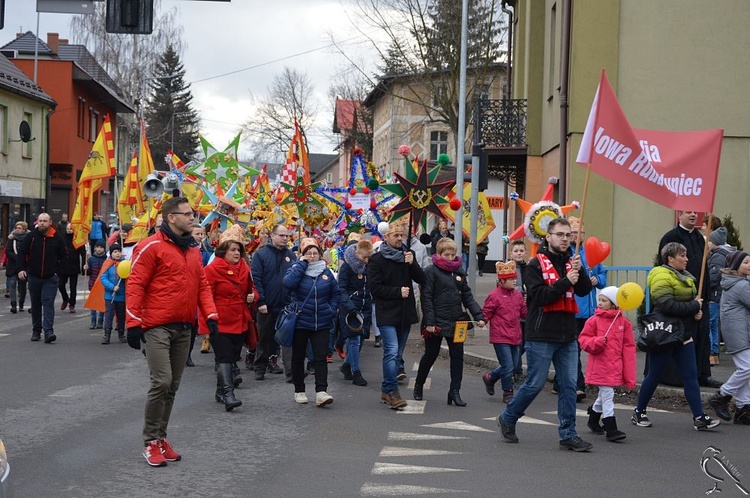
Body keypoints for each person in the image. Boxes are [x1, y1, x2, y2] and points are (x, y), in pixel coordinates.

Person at [125, 197, 219, 467]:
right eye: (187, 214)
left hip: (184, 326)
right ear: (171, 218)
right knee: (162, 382)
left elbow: (201, 285)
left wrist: (210, 315)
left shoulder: (191, 248)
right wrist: (133, 323)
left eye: (193, 214)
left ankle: (161, 438)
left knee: (173, 386)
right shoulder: (150, 246)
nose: (193, 218)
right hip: (156, 325)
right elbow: (135, 285)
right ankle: (150, 442)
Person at [497, 217, 594, 451]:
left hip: (567, 335)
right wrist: (565, 281)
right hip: (541, 333)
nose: (565, 238)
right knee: (535, 383)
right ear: (548, 237)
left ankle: (568, 433)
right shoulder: (535, 264)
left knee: (569, 385)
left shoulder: (572, 260)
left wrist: (579, 272)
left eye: (568, 234)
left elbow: (583, 290)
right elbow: (539, 297)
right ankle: (508, 417)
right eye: (560, 234)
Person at [633, 242, 720, 431]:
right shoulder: (660, 276)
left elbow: (684, 304)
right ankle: (639, 411)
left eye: (686, 255)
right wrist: (693, 307)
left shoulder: (685, 277)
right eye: (682, 255)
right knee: (654, 375)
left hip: (683, 333)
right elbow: (666, 305)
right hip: (665, 333)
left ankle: (699, 417)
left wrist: (694, 312)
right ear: (670, 258)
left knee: (690, 376)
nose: (686, 259)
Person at [415, 237, 485, 406]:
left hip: (456, 321)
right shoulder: (430, 271)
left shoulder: (459, 272)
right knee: (430, 355)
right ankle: (419, 385)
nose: (451, 257)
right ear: (439, 254)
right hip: (436, 323)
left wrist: (479, 316)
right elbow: (427, 298)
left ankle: (455, 391)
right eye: (447, 254)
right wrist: (430, 323)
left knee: (457, 356)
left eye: (453, 254)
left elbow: (467, 296)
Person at [658, 210, 721, 388]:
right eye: (688, 212)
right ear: (680, 215)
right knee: (685, 337)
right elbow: (663, 266)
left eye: (695, 212)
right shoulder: (671, 237)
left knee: (703, 336)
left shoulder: (700, 238)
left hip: (702, 296)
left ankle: (703, 374)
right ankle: (680, 376)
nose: (693, 215)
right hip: (682, 297)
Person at [368, 221, 426, 410]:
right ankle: (393, 392)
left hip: (404, 313)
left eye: (402, 235)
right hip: (386, 312)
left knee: (397, 354)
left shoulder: (408, 255)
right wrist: (396, 292)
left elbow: (422, 279)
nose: (400, 239)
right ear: (386, 237)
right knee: (391, 352)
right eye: (396, 235)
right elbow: (374, 288)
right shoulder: (377, 260)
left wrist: (413, 263)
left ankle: (386, 389)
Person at [201, 224, 257, 412]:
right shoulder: (211, 270)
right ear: (223, 251)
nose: (236, 253)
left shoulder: (244, 268)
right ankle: (228, 393)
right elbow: (204, 297)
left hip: (240, 319)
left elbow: (252, 291)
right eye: (233, 250)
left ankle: (219, 390)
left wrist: (253, 297)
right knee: (224, 357)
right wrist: (206, 325)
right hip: (220, 320)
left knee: (232, 356)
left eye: (238, 250)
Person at [552, 217, 607, 401]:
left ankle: (559, 381)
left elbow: (602, 275)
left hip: (590, 310)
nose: (576, 236)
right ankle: (578, 385)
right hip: (573, 308)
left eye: (579, 232)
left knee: (580, 348)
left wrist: (597, 280)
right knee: (573, 348)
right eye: (572, 232)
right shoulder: (566, 253)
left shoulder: (590, 250)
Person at [284, 237, 340, 406]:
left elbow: (335, 293)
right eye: (308, 253)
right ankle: (299, 390)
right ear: (302, 254)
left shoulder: (326, 272)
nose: (312, 256)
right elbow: (288, 283)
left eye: (315, 253)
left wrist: (331, 309)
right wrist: (302, 264)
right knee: (298, 357)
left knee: (321, 357)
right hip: (300, 321)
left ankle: (321, 391)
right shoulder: (296, 268)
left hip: (321, 321)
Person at [578, 286, 636, 442]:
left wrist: (629, 374)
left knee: (604, 394)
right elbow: (583, 340)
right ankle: (611, 427)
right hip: (600, 366)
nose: (600, 303)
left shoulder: (624, 323)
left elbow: (628, 349)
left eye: (604, 300)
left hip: (615, 367)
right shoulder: (593, 321)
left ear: (614, 304)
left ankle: (594, 416)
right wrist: (597, 342)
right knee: (608, 394)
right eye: (600, 300)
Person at [251, 224, 296, 381]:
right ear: (272, 235)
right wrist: (261, 301)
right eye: (282, 235)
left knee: (288, 339)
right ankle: (260, 367)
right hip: (267, 305)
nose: (285, 238)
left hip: (286, 305)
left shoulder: (291, 255)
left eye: (287, 236)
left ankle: (290, 372)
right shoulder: (261, 255)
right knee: (264, 338)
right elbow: (256, 279)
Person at [710, 251, 750, 425]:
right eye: (746, 262)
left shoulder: (735, 282)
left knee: (747, 370)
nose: (749, 265)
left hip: (739, 331)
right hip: (739, 333)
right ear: (736, 266)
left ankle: (743, 408)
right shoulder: (741, 286)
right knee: (747, 368)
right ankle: (721, 396)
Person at [481, 260, 527, 403]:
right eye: (511, 279)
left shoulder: (518, 295)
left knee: (513, 365)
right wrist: (483, 320)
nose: (515, 281)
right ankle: (508, 391)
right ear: (502, 281)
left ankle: (491, 377)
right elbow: (487, 311)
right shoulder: (494, 295)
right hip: (500, 336)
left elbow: (524, 313)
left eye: (515, 278)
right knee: (508, 366)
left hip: (515, 335)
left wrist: (529, 303)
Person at [17, 213, 66, 343]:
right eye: (40, 221)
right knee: (36, 304)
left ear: (50, 222)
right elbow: (21, 252)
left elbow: (64, 256)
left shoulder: (57, 238)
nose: (42, 223)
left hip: (50, 278)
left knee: (48, 303)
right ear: (37, 222)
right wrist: (21, 269)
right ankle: (36, 330)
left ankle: (49, 332)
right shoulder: (31, 237)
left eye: (45, 221)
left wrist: (58, 272)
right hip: (34, 276)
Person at [338, 239, 374, 387]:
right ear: (356, 253)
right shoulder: (347, 267)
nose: (366, 260)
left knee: (361, 340)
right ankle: (356, 372)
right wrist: (350, 305)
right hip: (351, 308)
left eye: (368, 257)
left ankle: (346, 365)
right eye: (363, 257)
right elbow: (341, 288)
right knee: (354, 339)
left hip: (365, 307)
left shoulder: (369, 267)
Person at [707, 227, 731, 366]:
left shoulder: (717, 256)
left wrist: (705, 287)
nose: (708, 243)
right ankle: (714, 353)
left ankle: (711, 352)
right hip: (718, 295)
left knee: (709, 324)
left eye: (710, 241)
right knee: (714, 324)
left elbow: (714, 277)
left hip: (714, 295)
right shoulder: (724, 255)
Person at [99, 244, 127, 344]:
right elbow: (103, 278)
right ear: (111, 254)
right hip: (109, 296)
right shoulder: (108, 264)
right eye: (115, 252)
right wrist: (112, 287)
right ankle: (106, 336)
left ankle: (121, 334)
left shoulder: (125, 263)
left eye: (119, 251)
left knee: (121, 316)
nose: (117, 254)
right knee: (109, 315)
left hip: (122, 296)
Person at [509, 240, 529, 381]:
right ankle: (516, 371)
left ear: (525, 253)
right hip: (513, 312)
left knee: (525, 343)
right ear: (511, 253)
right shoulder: (508, 268)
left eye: (521, 251)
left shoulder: (529, 268)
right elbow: (503, 286)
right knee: (517, 343)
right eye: (516, 251)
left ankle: (511, 367)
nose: (519, 253)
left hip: (527, 312)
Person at [58, 223, 86, 314]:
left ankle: (72, 305)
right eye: (68, 228)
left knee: (73, 287)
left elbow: (83, 253)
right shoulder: (61, 239)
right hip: (63, 266)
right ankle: (65, 299)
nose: (69, 229)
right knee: (61, 285)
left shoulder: (77, 240)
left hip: (74, 266)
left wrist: (84, 265)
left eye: (71, 228)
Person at [4, 221, 29, 313]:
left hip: (23, 266)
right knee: (12, 284)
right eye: (16, 228)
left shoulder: (28, 238)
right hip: (12, 265)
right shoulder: (12, 238)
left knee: (22, 286)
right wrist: (17, 257)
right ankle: (13, 304)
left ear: (24, 229)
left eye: (19, 228)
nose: (17, 229)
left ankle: (21, 304)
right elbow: (8, 251)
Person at [85, 240, 107, 329]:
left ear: (104, 249)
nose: (99, 249)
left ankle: (100, 320)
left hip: (102, 284)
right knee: (93, 303)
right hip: (93, 284)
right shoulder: (91, 259)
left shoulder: (106, 259)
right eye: (97, 247)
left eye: (101, 247)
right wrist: (86, 269)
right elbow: (88, 273)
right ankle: (93, 321)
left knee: (101, 302)